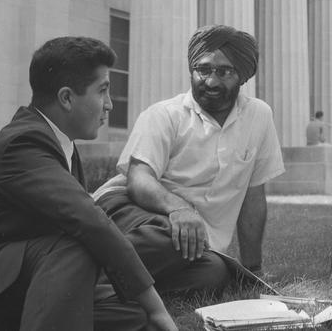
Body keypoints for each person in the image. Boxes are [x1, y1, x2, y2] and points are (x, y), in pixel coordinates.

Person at [0, 37, 177, 330]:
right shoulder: (23, 142)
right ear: (66, 97)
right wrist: (156, 308)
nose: (110, 105)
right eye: (102, 91)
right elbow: (90, 222)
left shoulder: (61, 145)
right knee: (78, 246)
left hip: (3, 282)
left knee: (129, 316)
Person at [93, 25, 285, 292]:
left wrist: (252, 270)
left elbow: (253, 196)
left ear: (242, 76)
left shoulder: (259, 116)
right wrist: (179, 208)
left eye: (224, 71)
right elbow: (138, 179)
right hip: (129, 209)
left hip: (192, 238)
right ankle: (76, 277)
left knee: (214, 274)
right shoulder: (164, 115)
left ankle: (110, 288)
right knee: (167, 241)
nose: (211, 81)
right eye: (203, 69)